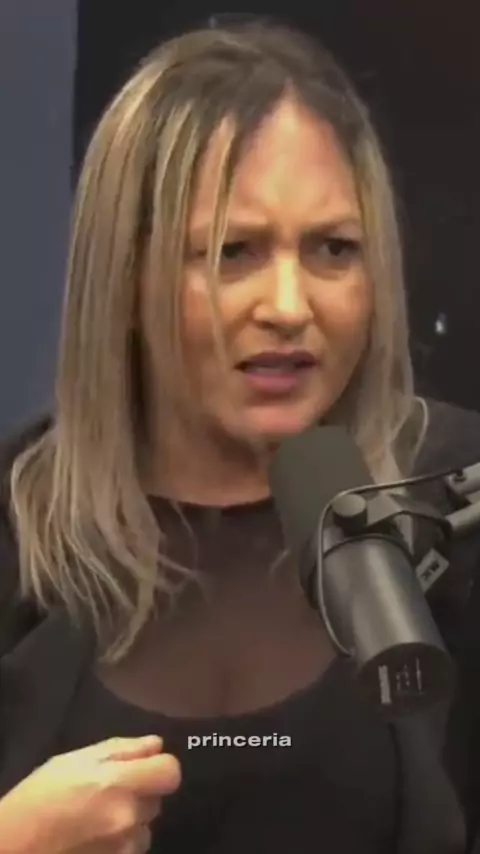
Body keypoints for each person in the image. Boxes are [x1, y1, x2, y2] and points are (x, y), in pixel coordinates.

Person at [1, 18, 480, 854]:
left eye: (334, 248)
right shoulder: (17, 526)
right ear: (125, 275)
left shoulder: (455, 498)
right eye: (233, 252)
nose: (290, 306)